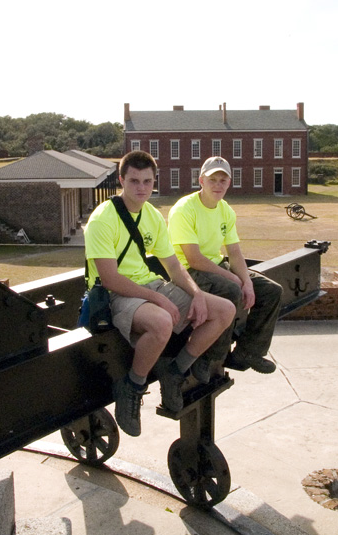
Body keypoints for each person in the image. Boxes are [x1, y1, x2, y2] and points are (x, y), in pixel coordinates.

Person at [84, 150, 235, 437]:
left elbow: (174, 266)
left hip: (150, 285)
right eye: (134, 181)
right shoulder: (103, 219)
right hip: (116, 295)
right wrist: (158, 298)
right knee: (163, 322)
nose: (141, 188)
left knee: (224, 311)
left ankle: (175, 371)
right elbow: (110, 278)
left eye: (147, 181)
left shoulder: (151, 215)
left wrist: (197, 293)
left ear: (154, 181)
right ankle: (132, 385)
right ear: (121, 180)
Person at [168, 156, 283, 380]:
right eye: (213, 179)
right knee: (231, 291)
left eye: (223, 180)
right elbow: (193, 259)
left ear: (229, 183)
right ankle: (210, 358)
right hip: (187, 272)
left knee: (271, 291)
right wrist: (234, 280)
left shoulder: (225, 210)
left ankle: (248, 352)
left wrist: (247, 281)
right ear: (201, 180)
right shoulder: (184, 209)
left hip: (216, 265)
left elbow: (235, 253)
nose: (218, 185)